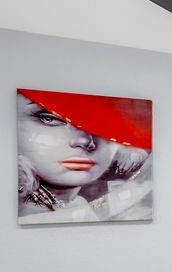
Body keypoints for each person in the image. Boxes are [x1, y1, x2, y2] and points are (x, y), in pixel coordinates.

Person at [16, 89, 153, 224]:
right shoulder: (28, 212)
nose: (85, 140)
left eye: (103, 124)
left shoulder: (83, 203)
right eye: (49, 118)